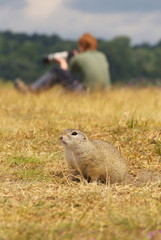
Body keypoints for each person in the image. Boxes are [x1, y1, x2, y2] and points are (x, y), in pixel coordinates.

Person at [14, 33, 111, 93]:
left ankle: (31, 91)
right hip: (104, 93)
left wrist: (62, 64)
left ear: (81, 46)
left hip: (87, 93)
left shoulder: (79, 58)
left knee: (57, 71)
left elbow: (67, 76)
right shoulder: (102, 56)